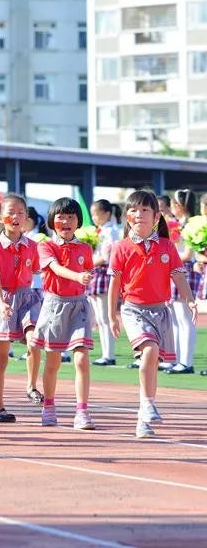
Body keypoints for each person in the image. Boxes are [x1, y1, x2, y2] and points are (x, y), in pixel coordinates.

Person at [108, 190, 195, 439]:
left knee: (153, 362)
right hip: (133, 309)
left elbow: (178, 275)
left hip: (160, 310)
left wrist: (190, 300)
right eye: (134, 210)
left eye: (145, 210)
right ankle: (147, 404)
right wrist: (112, 315)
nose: (139, 214)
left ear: (156, 216)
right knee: (150, 350)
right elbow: (115, 284)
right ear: (127, 216)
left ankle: (143, 417)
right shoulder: (121, 247)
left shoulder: (167, 246)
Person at [31, 198, 95, 430]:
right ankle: (48, 405)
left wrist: (85, 277)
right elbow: (56, 268)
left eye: (71, 217)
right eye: (60, 217)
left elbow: (89, 268)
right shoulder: (46, 245)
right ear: (52, 220)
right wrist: (78, 276)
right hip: (55, 306)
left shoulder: (85, 248)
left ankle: (82, 412)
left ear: (78, 221)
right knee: (53, 362)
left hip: (79, 306)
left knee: (82, 359)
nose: (65, 221)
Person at [0, 193, 42, 424]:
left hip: (27, 298)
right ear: (1, 217)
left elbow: (38, 274)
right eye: (10, 212)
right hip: (5, 299)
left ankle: (31, 386)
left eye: (20, 212)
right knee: (1, 358)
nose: (15, 217)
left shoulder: (33, 246)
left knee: (34, 341)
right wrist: (0, 302)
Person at [165, 188, 198, 374]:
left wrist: (168, 258)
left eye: (173, 203)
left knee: (185, 319)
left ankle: (186, 361)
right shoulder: (176, 225)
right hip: (174, 271)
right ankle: (177, 359)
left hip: (184, 272)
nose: (171, 207)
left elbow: (188, 254)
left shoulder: (191, 225)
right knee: (176, 319)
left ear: (180, 206)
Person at [88, 199, 122, 367]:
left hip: (104, 273)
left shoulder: (111, 232)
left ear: (107, 214)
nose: (94, 217)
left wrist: (88, 262)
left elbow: (107, 256)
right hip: (96, 272)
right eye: (92, 214)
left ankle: (109, 354)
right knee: (99, 318)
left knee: (105, 316)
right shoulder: (99, 231)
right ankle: (105, 353)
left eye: (97, 214)